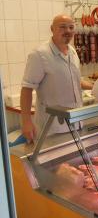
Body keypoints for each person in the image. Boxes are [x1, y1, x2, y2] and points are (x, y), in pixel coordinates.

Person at [20, 14, 93, 143]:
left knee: (74, 162)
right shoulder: (39, 54)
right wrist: (26, 121)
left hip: (77, 122)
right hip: (52, 127)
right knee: (56, 162)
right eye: (63, 27)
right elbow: (27, 88)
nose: (68, 31)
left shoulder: (72, 51)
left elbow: (74, 81)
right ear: (52, 29)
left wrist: (95, 86)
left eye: (71, 27)